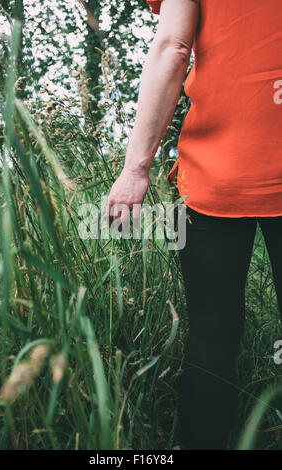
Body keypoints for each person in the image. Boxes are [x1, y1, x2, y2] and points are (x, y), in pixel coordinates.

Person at [105, 0, 282, 449]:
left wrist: (135, 169)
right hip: (226, 171)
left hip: (216, 169)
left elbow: (173, 47)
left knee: (212, 335)